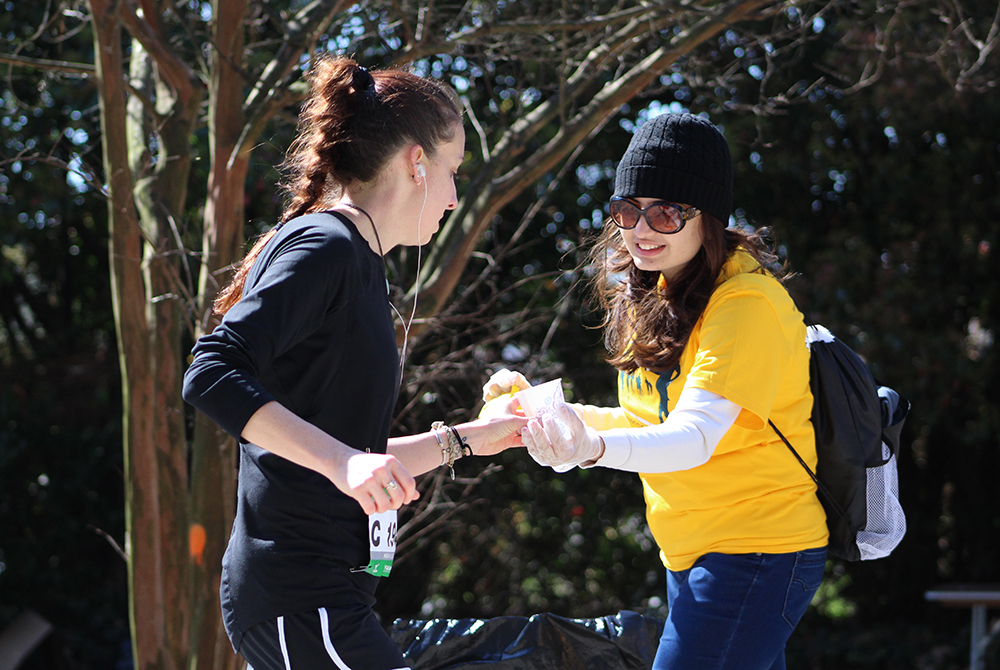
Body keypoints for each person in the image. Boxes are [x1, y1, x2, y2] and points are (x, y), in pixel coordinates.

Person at [183, 55, 526, 670]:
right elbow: (211, 371)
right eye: (453, 171)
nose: (453, 197)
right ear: (415, 163)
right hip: (299, 594)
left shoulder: (360, 263)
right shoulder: (326, 245)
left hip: (325, 597)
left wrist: (472, 440)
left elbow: (354, 456)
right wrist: (346, 462)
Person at [483, 112, 828, 670]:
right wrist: (544, 414)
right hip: (692, 550)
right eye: (626, 211)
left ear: (708, 218)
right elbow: (645, 426)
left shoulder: (747, 306)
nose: (641, 230)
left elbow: (692, 438)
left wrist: (588, 449)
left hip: (759, 550)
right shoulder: (659, 294)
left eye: (666, 212)